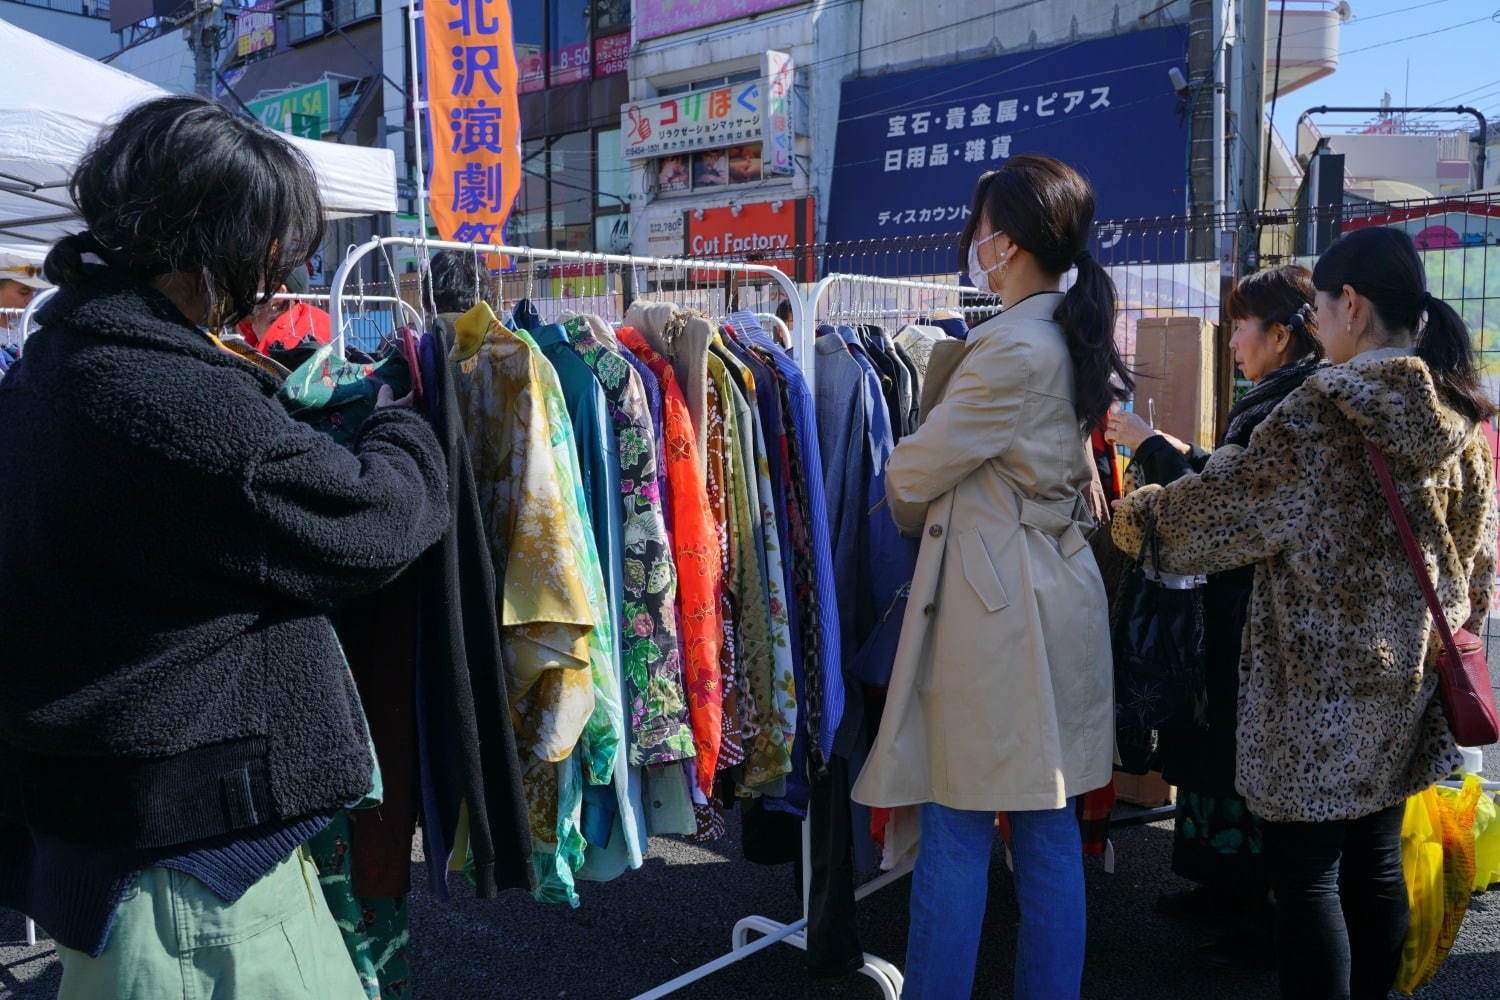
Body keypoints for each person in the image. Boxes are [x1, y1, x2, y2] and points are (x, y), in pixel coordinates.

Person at [0, 95, 450, 998]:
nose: (281, 276)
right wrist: (401, 430)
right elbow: (371, 528)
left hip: (115, 839)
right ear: (212, 241)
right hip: (195, 877)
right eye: (275, 248)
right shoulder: (168, 396)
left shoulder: (62, 363)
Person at [1112, 226, 1497, 1000]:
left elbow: (1211, 522)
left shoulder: (1319, 413)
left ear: (1350, 305)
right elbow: (1478, 565)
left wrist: (1134, 510)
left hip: (1309, 694)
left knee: (1308, 879)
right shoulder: (1458, 416)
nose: (1316, 324)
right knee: (1375, 863)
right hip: (1404, 684)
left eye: (1319, 307)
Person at [853, 155, 1131, 1000]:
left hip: (993, 612)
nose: (973, 244)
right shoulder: (1062, 335)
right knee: (1045, 827)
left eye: (980, 231)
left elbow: (909, 478)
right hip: (1050, 596)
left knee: (958, 820)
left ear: (1003, 245)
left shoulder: (1009, 347)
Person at [1105, 265, 1325, 969]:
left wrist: (1151, 447)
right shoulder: (1273, 395)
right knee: (1213, 751)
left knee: (1237, 761)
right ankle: (1221, 890)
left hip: (1260, 617)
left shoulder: (1290, 405)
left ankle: (1250, 917)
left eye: (1241, 326)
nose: (1232, 340)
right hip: (1239, 608)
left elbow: (1228, 505)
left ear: (1281, 335)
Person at [235, 258, 332, 353]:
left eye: (250, 282)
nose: (237, 288)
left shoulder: (297, 354)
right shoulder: (260, 343)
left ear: (277, 295)